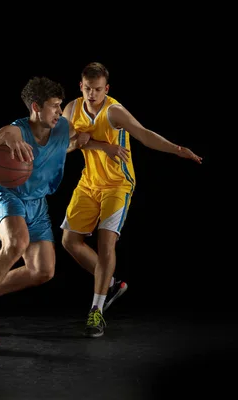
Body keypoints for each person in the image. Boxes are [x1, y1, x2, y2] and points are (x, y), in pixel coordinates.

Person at [60, 62, 203, 338]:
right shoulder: (71, 109)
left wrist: (178, 149)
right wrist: (99, 145)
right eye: (88, 89)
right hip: (88, 182)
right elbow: (63, 146)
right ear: (81, 86)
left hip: (117, 185)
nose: (92, 95)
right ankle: (110, 283)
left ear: (107, 89)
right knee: (69, 241)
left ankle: (96, 310)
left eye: (98, 90)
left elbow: (145, 135)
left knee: (105, 243)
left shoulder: (114, 112)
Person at [0, 76, 90, 352]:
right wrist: (1, 136)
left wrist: (83, 141)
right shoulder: (15, 131)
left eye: (60, 105)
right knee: (15, 243)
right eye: (54, 106)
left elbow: (63, 148)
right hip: (9, 196)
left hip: (37, 204)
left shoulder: (62, 127)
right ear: (36, 107)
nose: (59, 111)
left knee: (42, 271)